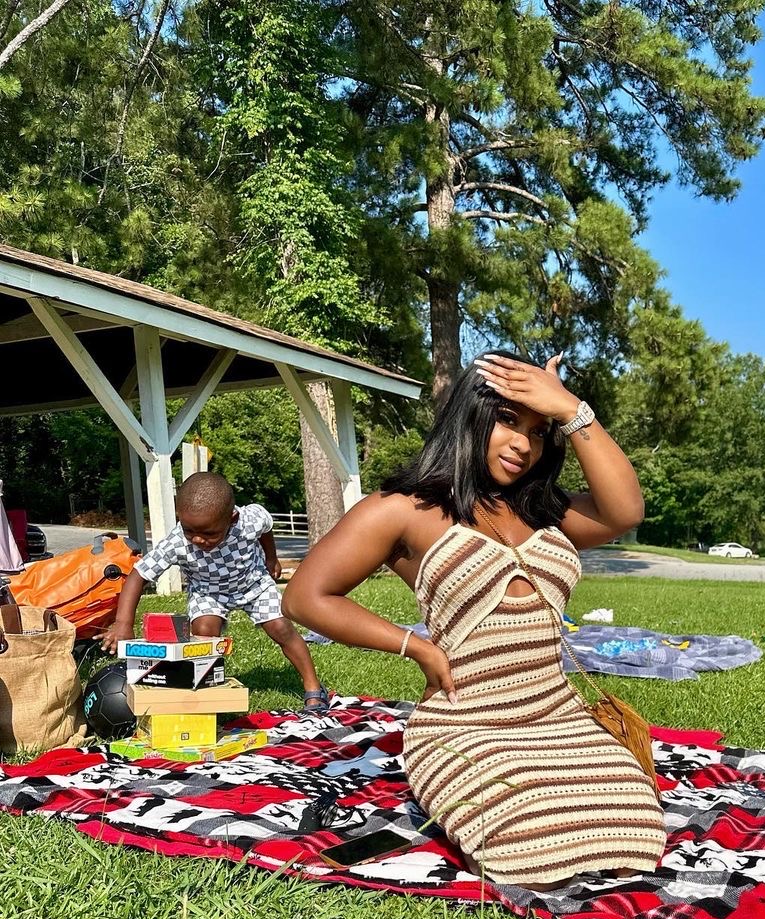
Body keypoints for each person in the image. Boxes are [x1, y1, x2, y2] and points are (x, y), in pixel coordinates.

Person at [283, 352, 666, 888]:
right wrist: (414, 645)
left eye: (538, 431)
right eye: (508, 420)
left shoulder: (544, 509)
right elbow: (306, 597)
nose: (523, 444)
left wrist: (571, 410)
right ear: (470, 414)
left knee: (635, 830)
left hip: (554, 713)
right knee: (526, 844)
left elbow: (625, 511)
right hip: (464, 721)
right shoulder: (407, 509)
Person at [102, 472, 328, 711]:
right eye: (189, 530)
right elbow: (139, 575)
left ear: (232, 519)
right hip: (208, 592)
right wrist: (123, 622)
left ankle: (312, 685)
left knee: (280, 627)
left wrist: (271, 558)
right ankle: (206, 688)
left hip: (254, 584)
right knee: (204, 631)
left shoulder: (248, 521)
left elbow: (266, 527)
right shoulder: (176, 543)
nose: (198, 539)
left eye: (209, 534)